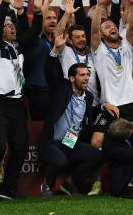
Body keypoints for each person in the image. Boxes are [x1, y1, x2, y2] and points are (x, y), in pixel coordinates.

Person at [0, 0, 44, 199]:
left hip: (17, 103)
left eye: (12, 25)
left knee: (20, 147)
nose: (11, 28)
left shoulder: (17, 47)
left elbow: (35, 29)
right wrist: (6, 2)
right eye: (7, 26)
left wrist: (36, 10)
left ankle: (9, 188)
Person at [39, 31, 104, 197]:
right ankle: (47, 185)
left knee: (97, 156)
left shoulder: (88, 97)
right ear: (71, 78)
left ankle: (71, 182)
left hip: (69, 141)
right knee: (60, 161)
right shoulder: (61, 90)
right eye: (82, 75)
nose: (86, 78)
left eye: (88, 74)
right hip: (51, 141)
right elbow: (49, 73)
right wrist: (55, 50)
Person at [90, 0, 133, 148]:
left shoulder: (126, 45)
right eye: (106, 27)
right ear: (101, 33)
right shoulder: (99, 50)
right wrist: (99, 6)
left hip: (132, 101)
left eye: (113, 25)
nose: (111, 27)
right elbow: (93, 30)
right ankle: (96, 172)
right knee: (98, 142)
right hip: (110, 103)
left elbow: (132, 27)